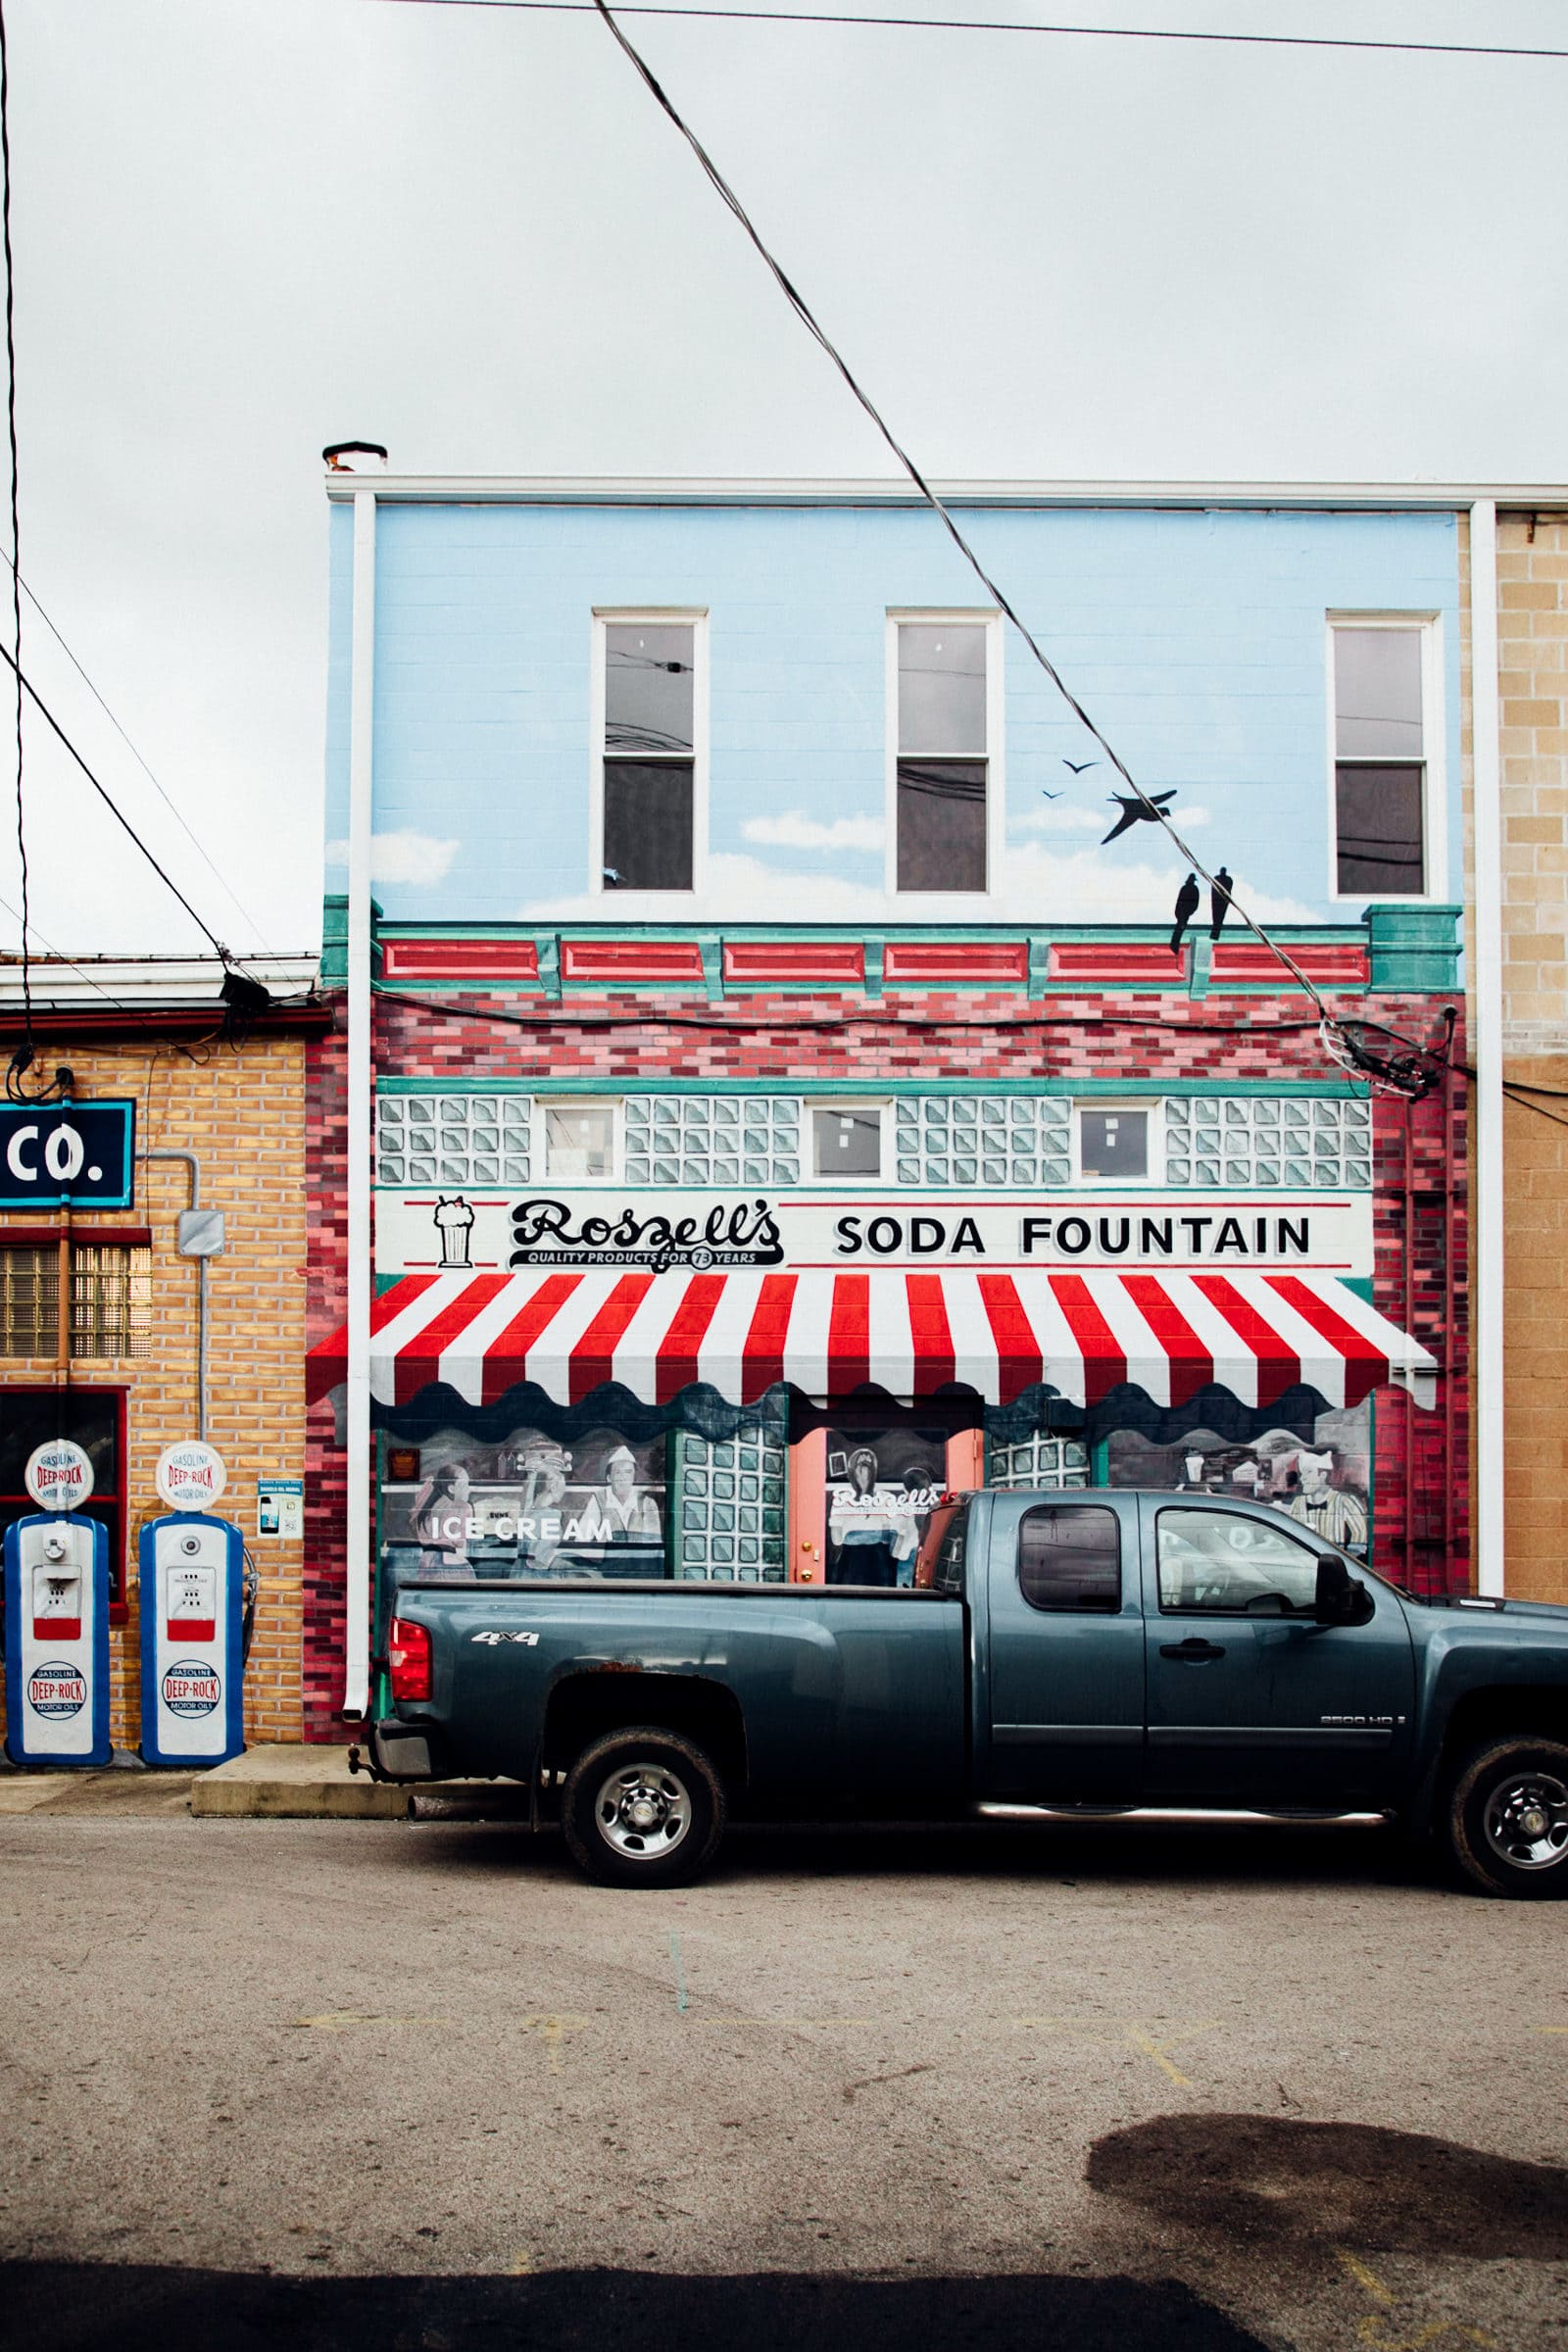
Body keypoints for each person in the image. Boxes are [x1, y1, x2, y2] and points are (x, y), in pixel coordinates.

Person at [827, 1448, 898, 1586]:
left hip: (865, 1556)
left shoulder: (843, 1499)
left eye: (867, 1466)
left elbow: (837, 1538)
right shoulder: (843, 1499)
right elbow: (886, 1536)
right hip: (861, 1556)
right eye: (860, 1466)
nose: (864, 1472)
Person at [1279, 1450, 1368, 1551]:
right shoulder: (1298, 1503)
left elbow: (1359, 1535)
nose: (1303, 1478)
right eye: (1302, 1473)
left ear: (1323, 1475)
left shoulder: (1344, 1501)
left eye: (1309, 1472)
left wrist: (1345, 1558)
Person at [576, 1446, 662, 1543]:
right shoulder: (599, 1500)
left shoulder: (647, 1503)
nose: (623, 1478)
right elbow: (581, 1539)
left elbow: (654, 1543)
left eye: (628, 1472)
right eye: (618, 1472)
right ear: (609, 1478)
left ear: (634, 1477)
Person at [411, 1461, 473, 1572]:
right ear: (451, 1489)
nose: (469, 1489)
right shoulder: (463, 1508)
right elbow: (460, 1544)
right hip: (450, 1564)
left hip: (426, 1564)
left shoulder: (428, 1506)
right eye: (465, 1485)